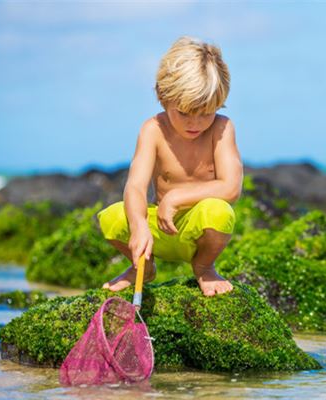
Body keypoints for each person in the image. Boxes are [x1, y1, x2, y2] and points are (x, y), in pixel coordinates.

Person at [97, 36, 243, 296]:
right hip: (158, 233)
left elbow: (231, 188)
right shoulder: (153, 130)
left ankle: (204, 267)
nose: (195, 124)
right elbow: (135, 187)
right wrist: (140, 226)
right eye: (184, 113)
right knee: (112, 217)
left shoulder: (221, 129)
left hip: (197, 231)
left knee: (219, 212)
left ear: (219, 103)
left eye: (205, 113)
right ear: (163, 98)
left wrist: (177, 196)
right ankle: (143, 266)